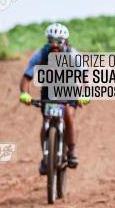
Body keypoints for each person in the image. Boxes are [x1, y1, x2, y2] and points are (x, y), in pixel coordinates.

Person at [18, 23, 89, 173]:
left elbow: (85, 78)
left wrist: (84, 94)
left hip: (68, 90)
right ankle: (45, 157)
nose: (54, 45)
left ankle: (71, 151)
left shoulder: (72, 54)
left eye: (58, 41)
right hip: (48, 92)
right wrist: (25, 93)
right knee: (46, 121)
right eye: (51, 40)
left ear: (66, 41)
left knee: (68, 115)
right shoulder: (41, 54)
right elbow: (26, 78)